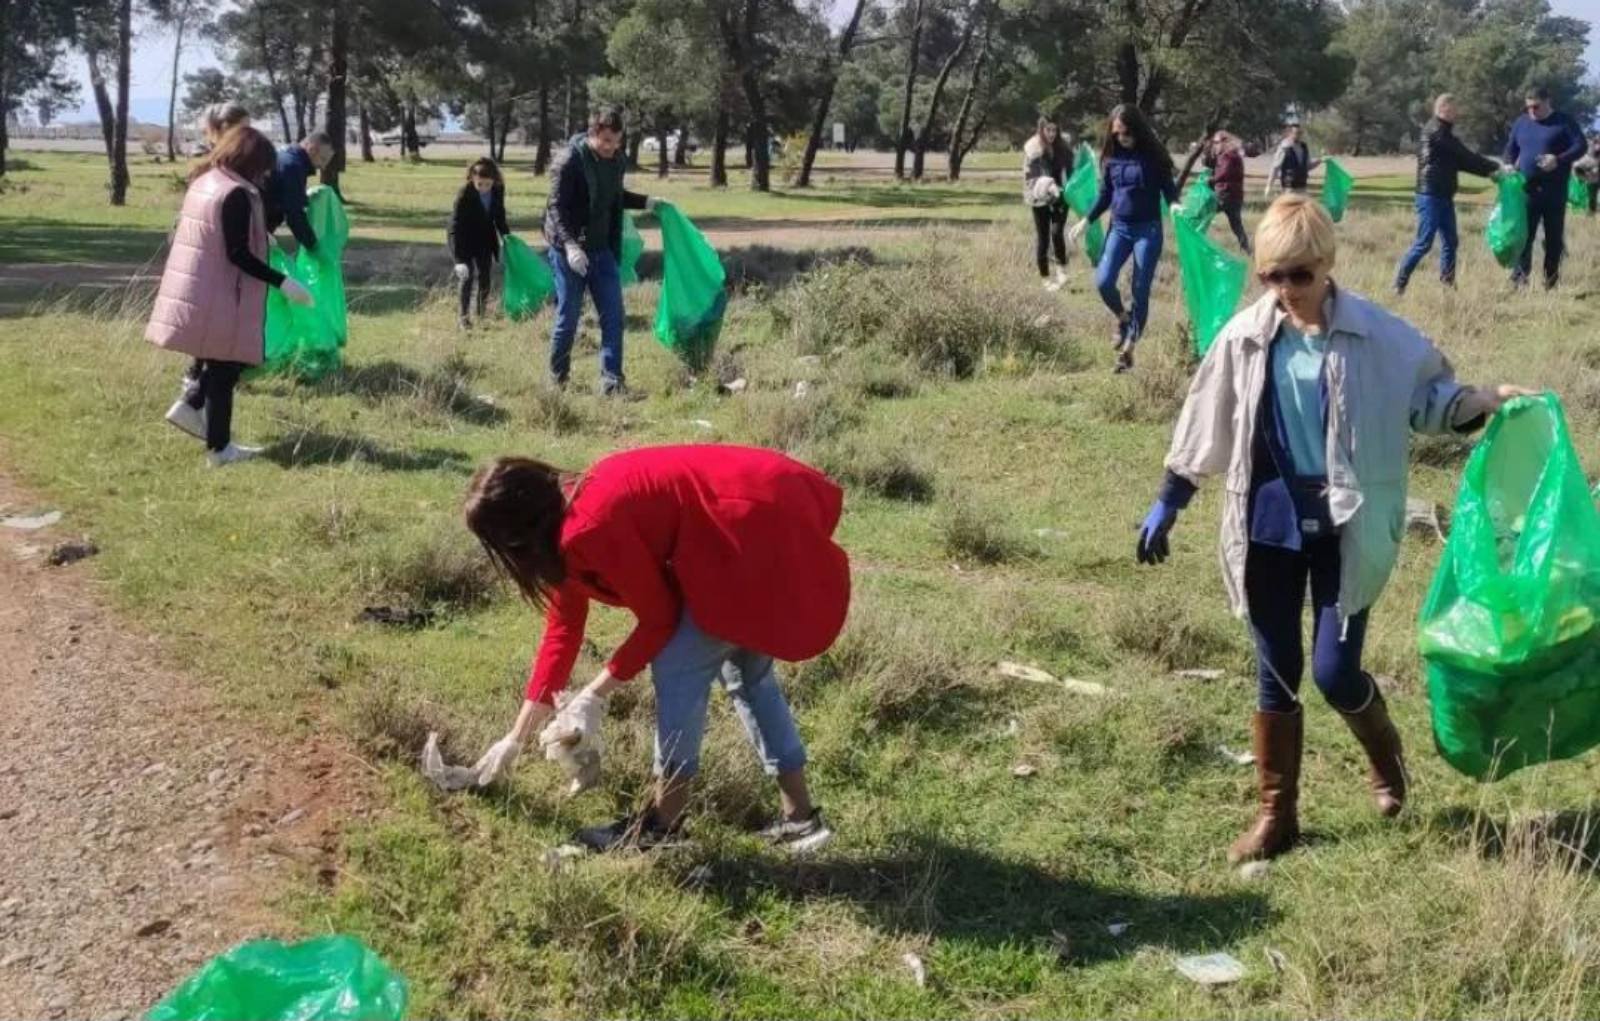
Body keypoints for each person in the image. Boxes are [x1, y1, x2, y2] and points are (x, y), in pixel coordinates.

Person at [1134, 194, 1533, 864]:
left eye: (1299, 275)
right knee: (1277, 670)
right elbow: (1208, 418)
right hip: (1267, 523)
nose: (1286, 290)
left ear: (1327, 265)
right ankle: (1276, 816)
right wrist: (1170, 500)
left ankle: (1387, 757)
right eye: (1272, 276)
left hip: (1349, 525)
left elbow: (1431, 402)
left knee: (1334, 670)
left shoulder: (1378, 336)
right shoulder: (1246, 336)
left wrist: (1484, 404)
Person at [464, 445, 851, 854]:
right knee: (746, 675)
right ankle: (802, 821)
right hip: (757, 517)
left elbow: (659, 620)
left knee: (679, 664)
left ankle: (661, 828)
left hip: (751, 524)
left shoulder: (590, 526)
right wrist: (515, 737)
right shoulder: (569, 513)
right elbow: (564, 628)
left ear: (516, 533)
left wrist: (592, 696)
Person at [146, 126, 315, 467]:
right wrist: (282, 282)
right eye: (263, 166)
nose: (265, 174)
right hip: (221, 291)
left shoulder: (206, 182)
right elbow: (237, 252)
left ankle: (193, 408)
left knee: (220, 363)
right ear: (250, 160)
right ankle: (218, 447)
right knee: (226, 368)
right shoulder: (235, 193)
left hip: (203, 286)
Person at [543, 107, 659, 395]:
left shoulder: (616, 161)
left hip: (601, 250)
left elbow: (614, 198)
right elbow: (556, 208)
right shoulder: (569, 161)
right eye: (606, 140)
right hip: (568, 250)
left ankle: (612, 382)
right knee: (568, 317)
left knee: (613, 316)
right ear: (593, 134)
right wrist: (569, 246)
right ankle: (558, 380)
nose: (612, 147)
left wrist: (647, 202)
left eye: (616, 141)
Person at [1069, 103, 1178, 374]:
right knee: (1104, 280)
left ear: (1137, 129)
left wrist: (1175, 204)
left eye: (1126, 133)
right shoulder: (1111, 158)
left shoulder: (1153, 156)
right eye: (1116, 133)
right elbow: (1105, 194)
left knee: (1140, 290)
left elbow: (1168, 187)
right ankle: (1122, 317)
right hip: (1119, 228)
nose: (1121, 138)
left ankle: (1128, 351)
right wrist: (1086, 219)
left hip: (1148, 230)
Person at [1394, 94, 1504, 294]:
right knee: (1424, 243)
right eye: (1454, 109)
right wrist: (1495, 166)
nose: (1457, 113)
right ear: (1443, 108)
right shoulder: (1436, 131)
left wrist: (1491, 173)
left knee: (1450, 241)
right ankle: (1399, 283)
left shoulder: (1445, 134)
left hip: (1443, 196)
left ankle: (1447, 283)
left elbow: (1462, 162)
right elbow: (1465, 155)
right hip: (1430, 195)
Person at [1504, 86, 1586, 289]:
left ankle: (1551, 281)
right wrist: (1508, 164)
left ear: (1548, 101)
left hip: (1555, 191)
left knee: (1553, 239)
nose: (1531, 111)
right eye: (1528, 107)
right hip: (1527, 190)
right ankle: (1519, 280)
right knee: (1524, 237)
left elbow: (1580, 145)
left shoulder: (1564, 122)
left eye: (1536, 107)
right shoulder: (1522, 122)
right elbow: (1511, 148)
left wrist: (1558, 160)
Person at [447, 156, 512, 330]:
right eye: (480, 184)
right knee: (466, 277)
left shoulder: (498, 189)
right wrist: (458, 260)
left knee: (485, 276)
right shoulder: (464, 194)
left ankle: (482, 314)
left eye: (487, 184)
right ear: (472, 179)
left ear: (494, 180)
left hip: (485, 239)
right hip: (464, 238)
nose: (484, 188)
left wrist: (507, 236)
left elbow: (499, 216)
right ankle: (464, 318)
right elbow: (455, 226)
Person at [1023, 117, 1074, 291]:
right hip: (1039, 197)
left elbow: (1072, 172)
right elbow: (1030, 177)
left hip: (1060, 196)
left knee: (1057, 232)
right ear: (1041, 129)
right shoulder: (1033, 149)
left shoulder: (1064, 148)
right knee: (1043, 237)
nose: (1051, 134)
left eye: (1054, 130)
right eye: (1048, 130)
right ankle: (1045, 279)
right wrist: (1047, 185)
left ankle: (1061, 271)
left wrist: (1072, 187)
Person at [267, 129, 334, 254]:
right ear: (312, 149)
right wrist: (314, 246)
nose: (323, 166)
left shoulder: (286, 154)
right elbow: (294, 215)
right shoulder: (293, 166)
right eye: (323, 159)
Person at [1203, 131, 1251, 254]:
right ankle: (1247, 250)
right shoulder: (1234, 155)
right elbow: (1210, 164)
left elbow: (1223, 173)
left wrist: (1211, 180)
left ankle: (1196, 242)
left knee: (1203, 215)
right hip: (1235, 196)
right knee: (1236, 225)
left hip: (1224, 194)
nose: (1215, 145)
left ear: (1224, 142)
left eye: (1216, 142)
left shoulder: (1227, 156)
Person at [1265, 122, 1320, 197]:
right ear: (1290, 133)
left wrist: (1320, 161)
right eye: (1296, 133)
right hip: (1289, 187)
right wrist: (1269, 186)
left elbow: (1307, 166)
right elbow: (1275, 167)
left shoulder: (1304, 147)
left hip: (1302, 186)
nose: (1299, 135)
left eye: (1300, 133)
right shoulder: (1284, 147)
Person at [1576, 135, 1600, 216]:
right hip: (1592, 181)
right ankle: (1591, 213)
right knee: (1592, 198)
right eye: (1597, 142)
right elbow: (1577, 168)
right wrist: (1588, 173)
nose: (1598, 145)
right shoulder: (1587, 157)